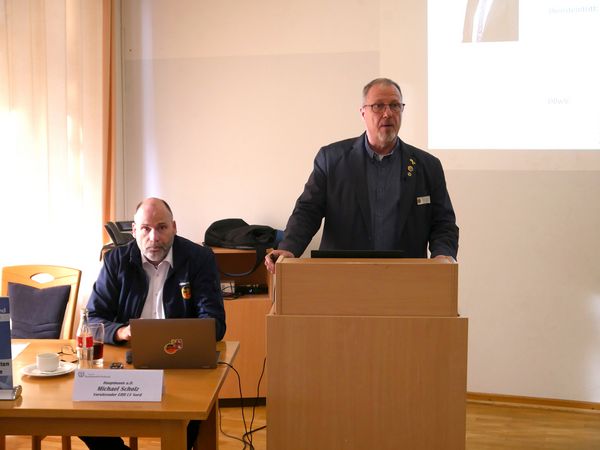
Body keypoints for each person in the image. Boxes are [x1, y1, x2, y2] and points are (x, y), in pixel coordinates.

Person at [265, 77, 458, 273]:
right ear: (363, 112)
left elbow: (443, 222)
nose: (388, 113)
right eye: (378, 106)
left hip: (405, 279)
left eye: (395, 105)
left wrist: (442, 255)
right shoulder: (332, 160)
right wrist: (288, 248)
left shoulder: (427, 165)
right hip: (344, 277)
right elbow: (308, 211)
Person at [81, 197, 226, 450]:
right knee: (82, 415)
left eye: (162, 227)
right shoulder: (116, 260)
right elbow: (92, 321)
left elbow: (214, 324)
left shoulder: (199, 258)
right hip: (129, 364)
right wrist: (122, 332)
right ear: (134, 231)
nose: (154, 237)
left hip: (181, 365)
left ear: (174, 227)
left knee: (187, 417)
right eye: (146, 229)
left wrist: (181, 338)